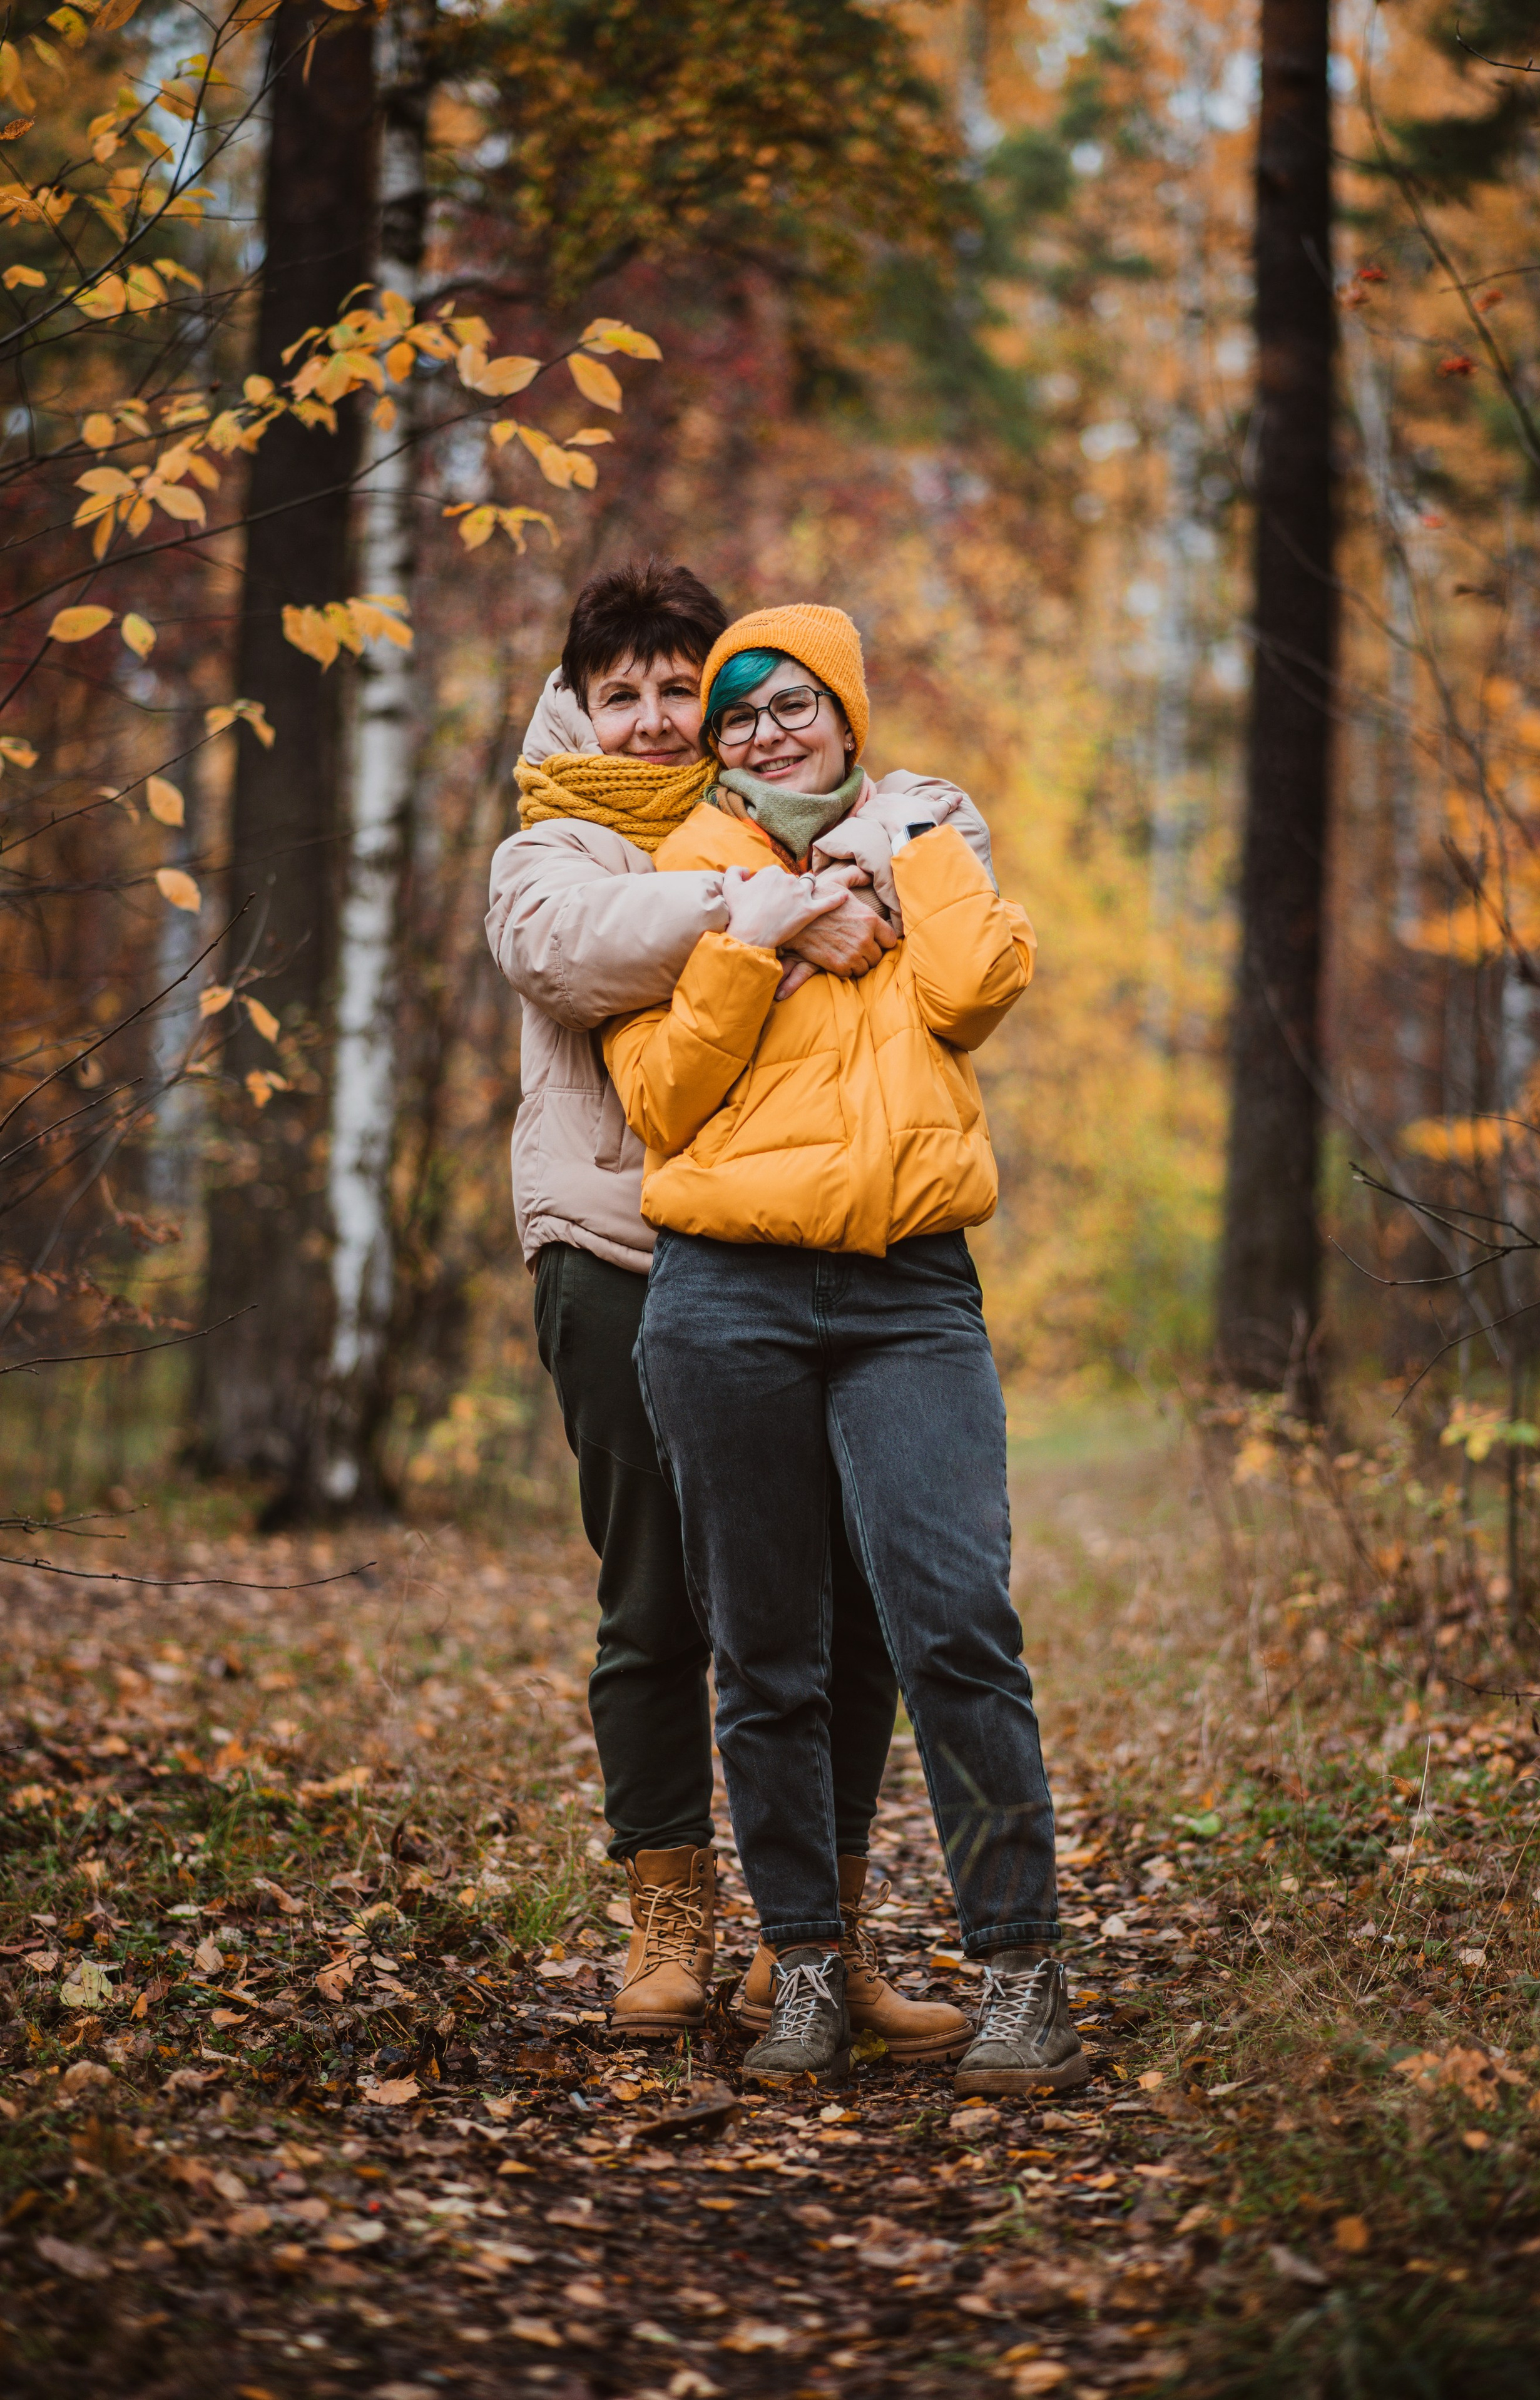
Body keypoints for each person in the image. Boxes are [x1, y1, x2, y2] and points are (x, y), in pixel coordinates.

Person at [486, 561, 974, 2061]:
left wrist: (848, 861)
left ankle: (809, 1937)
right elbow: (565, 948)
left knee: (842, 1602)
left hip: (794, 1259)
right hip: (617, 1255)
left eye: (672, 690)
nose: (647, 718)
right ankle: (667, 1917)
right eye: (616, 690)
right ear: (577, 704)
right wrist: (767, 910)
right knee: (654, 1600)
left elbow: (932, 857)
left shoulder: (794, 813)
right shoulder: (554, 844)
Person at [606, 603, 1088, 2095]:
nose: (764, 733)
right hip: (723, 1296)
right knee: (765, 1653)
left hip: (907, 1292)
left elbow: (975, 989)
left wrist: (910, 845)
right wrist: (754, 941)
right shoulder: (683, 874)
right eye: (738, 713)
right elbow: (658, 1101)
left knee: (954, 1620)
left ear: (846, 714)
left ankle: (1022, 1971)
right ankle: (804, 1964)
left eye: (792, 703)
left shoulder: (927, 838)